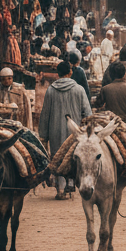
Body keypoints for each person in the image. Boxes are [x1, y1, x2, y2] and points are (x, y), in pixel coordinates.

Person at [39, 60, 92, 199]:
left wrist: (43, 135)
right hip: (74, 132)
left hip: (54, 130)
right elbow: (88, 113)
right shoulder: (79, 89)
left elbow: (45, 114)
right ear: (70, 72)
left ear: (58, 74)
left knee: (58, 157)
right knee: (73, 156)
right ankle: (71, 183)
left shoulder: (50, 90)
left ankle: (60, 189)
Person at [95, 61, 126, 129]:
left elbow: (97, 105)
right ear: (125, 74)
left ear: (111, 74)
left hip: (111, 124)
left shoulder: (105, 89)